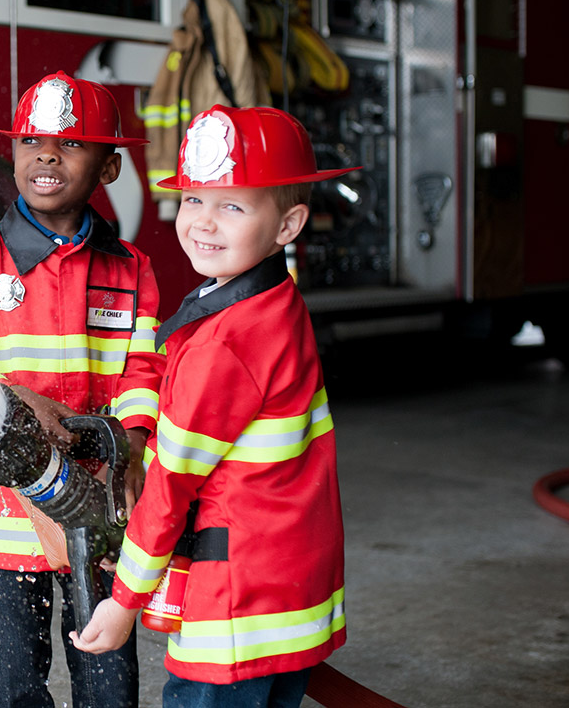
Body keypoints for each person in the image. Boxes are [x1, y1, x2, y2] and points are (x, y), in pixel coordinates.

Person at [70, 104, 359, 708]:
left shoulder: (225, 342)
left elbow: (173, 484)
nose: (203, 222)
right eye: (194, 200)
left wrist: (125, 603)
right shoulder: (278, 302)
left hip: (235, 616)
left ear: (289, 225)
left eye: (232, 206)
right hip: (289, 597)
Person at [0, 71, 164, 708]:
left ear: (110, 167)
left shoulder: (132, 269)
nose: (47, 155)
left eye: (71, 144)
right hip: (4, 521)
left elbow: (144, 372)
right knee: (10, 684)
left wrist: (135, 445)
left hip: (99, 509)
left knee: (108, 679)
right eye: (31, 139)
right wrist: (9, 397)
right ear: (13, 154)